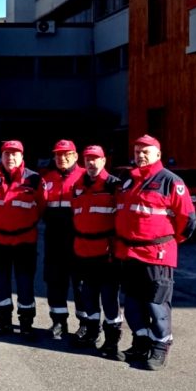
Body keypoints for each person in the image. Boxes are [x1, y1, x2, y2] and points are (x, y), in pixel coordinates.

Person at [114, 134, 196, 370]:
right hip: (129, 253)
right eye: (137, 151)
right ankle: (140, 342)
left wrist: (168, 242)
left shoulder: (170, 181)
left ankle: (160, 346)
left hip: (157, 254)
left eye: (146, 151)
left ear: (158, 154)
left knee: (156, 302)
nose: (140, 155)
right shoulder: (129, 180)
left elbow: (188, 220)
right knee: (132, 302)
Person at [0, 140, 45, 337]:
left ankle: (26, 324)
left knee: (25, 284)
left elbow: (41, 205)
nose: (10, 157)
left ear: (22, 156)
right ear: (1, 156)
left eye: (14, 154)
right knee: (0, 284)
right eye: (6, 154)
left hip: (24, 241)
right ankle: (4, 322)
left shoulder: (34, 179)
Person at [70, 145, 123, 357]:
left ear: (103, 161)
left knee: (109, 297)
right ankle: (92, 333)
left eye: (95, 159)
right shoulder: (78, 185)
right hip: (83, 251)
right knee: (88, 296)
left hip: (106, 252)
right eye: (87, 159)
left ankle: (112, 340)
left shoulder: (114, 186)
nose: (91, 163)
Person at [41, 140, 86, 340]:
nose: (62, 158)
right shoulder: (47, 179)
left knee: (81, 284)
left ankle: (86, 323)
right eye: (58, 155)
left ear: (76, 156)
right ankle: (59, 322)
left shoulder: (85, 177)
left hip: (77, 239)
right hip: (54, 240)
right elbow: (40, 207)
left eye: (67, 154)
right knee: (55, 281)